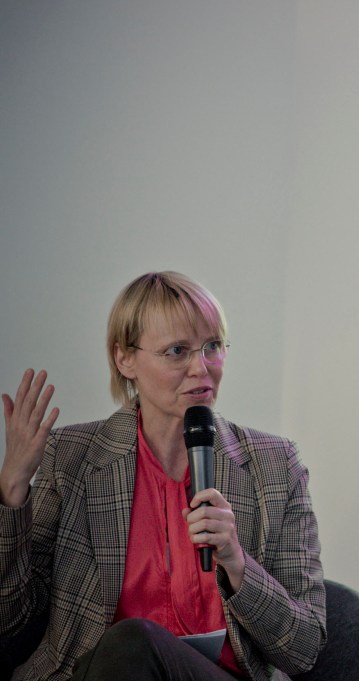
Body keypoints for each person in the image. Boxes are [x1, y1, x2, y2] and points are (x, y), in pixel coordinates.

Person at [0, 271, 326, 680]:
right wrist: (13, 489)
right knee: (132, 645)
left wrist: (237, 562)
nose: (201, 368)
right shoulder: (71, 458)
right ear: (125, 359)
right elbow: (12, 624)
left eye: (213, 346)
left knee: (136, 642)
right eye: (177, 351)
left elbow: (304, 649)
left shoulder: (275, 466)